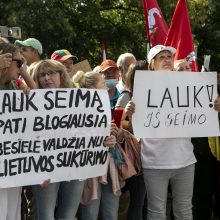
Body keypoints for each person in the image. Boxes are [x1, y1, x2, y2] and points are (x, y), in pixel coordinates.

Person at [124, 45, 197, 220]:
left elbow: (202, 115)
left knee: (184, 211)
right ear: (151, 64)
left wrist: (214, 107)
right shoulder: (142, 91)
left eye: (169, 57)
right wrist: (129, 113)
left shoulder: (189, 87)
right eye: (161, 57)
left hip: (185, 161)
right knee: (156, 212)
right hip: (155, 162)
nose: (166, 60)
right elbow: (132, 127)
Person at [31, 59, 85, 220]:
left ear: (61, 75)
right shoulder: (29, 103)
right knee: (46, 215)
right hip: (44, 167)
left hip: (74, 164)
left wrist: (104, 139)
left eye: (51, 73)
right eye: (42, 75)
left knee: (68, 215)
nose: (46, 78)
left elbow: (90, 130)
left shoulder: (80, 100)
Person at [73, 70, 124, 220]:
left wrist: (115, 134)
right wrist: (99, 139)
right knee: (90, 214)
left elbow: (117, 137)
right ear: (92, 90)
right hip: (90, 168)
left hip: (110, 166)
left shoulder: (106, 108)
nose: (107, 87)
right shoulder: (76, 111)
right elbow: (77, 141)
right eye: (103, 83)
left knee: (111, 213)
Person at [174, 59, 219, 220]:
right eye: (180, 69)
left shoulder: (206, 91)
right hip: (178, 155)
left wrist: (218, 108)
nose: (185, 71)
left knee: (203, 196)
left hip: (204, 153)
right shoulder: (166, 95)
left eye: (188, 68)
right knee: (181, 200)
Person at [0, 42, 34, 220]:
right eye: (19, 63)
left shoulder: (14, 88)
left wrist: (25, 73)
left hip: (13, 166)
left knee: (12, 214)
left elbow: (46, 107)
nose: (22, 67)